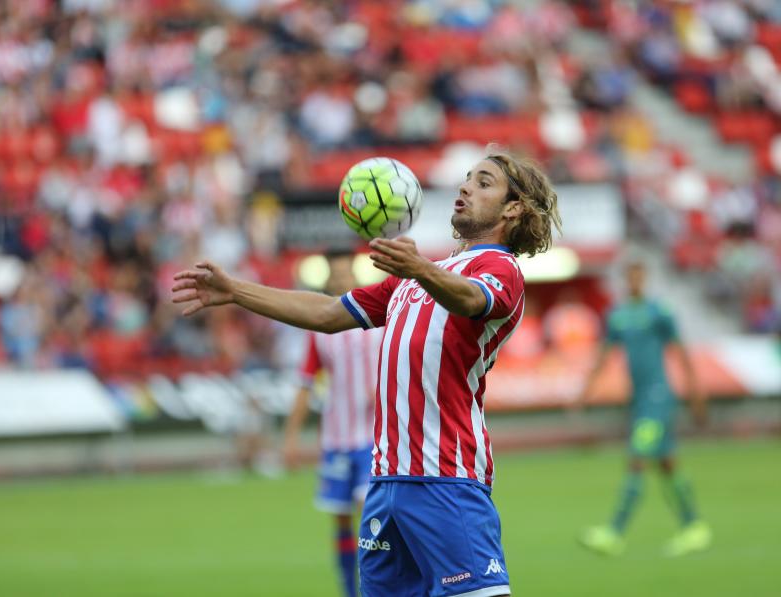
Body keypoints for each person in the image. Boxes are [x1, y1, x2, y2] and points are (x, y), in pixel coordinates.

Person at [172, 148, 561, 597]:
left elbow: (472, 301)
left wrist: (419, 269)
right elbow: (326, 313)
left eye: (484, 182)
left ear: (513, 208)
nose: (465, 186)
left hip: (446, 480)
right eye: (467, 178)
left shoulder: (499, 269)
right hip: (384, 486)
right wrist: (235, 290)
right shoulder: (415, 279)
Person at [576, 260, 712, 557]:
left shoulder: (659, 312)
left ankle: (614, 533)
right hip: (639, 400)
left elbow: (681, 351)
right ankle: (694, 527)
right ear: (625, 279)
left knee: (637, 459)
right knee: (666, 464)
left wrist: (695, 394)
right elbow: (604, 355)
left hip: (658, 398)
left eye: (639, 274)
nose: (635, 280)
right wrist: (585, 393)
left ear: (645, 277)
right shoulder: (618, 316)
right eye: (630, 275)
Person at [283, 251, 382, 597]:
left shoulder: (376, 321)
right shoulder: (320, 330)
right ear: (327, 279)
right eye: (334, 275)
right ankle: (349, 590)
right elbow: (305, 382)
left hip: (374, 439)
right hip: (337, 439)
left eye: (345, 274)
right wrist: (292, 438)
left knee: (369, 518)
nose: (340, 280)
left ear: (355, 276)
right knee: (341, 520)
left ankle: (375, 588)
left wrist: (383, 390)